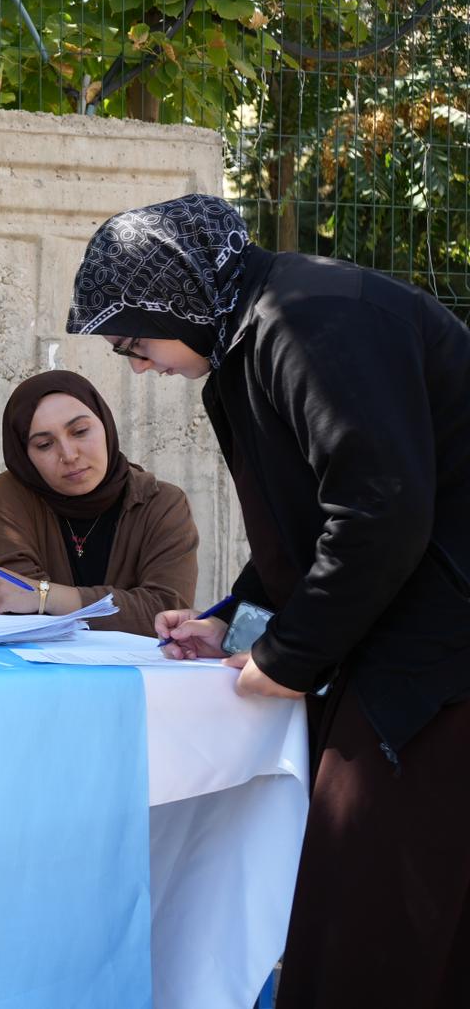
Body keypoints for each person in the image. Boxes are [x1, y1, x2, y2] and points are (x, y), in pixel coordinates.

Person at [66, 192, 470, 1008]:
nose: (138, 366)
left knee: (374, 909)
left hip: (440, 657)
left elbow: (380, 512)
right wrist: (230, 621)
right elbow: (299, 538)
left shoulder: (311, 320)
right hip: (398, 637)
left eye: (135, 342)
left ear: (176, 299)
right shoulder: (247, 342)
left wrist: (284, 660)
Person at [0, 370, 198, 635]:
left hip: (135, 674)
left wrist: (46, 596)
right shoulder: (13, 494)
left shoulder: (161, 504)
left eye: (80, 431)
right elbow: (10, 601)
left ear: (105, 424)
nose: (69, 455)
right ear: (24, 457)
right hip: (37, 672)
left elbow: (165, 612)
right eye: (45, 444)